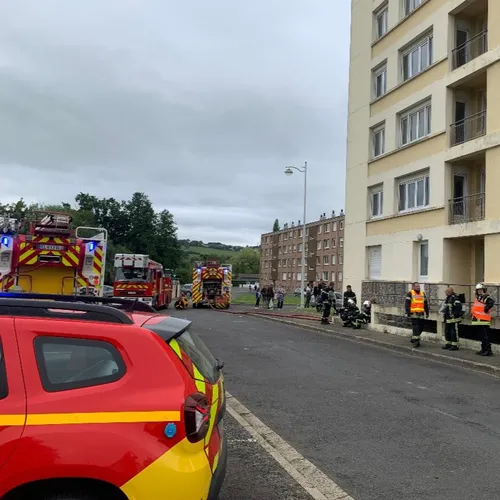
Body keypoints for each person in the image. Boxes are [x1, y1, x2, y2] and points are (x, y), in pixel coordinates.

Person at [472, 283, 495, 356]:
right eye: (478, 290)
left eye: (480, 290)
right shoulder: (478, 298)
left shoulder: (485, 297)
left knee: (485, 336)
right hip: (478, 320)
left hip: (484, 320)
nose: (479, 291)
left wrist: (486, 308)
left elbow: (491, 302)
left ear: (483, 290)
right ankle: (483, 349)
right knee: (482, 336)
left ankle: (488, 351)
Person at [405, 283, 429, 348]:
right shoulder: (410, 293)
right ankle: (416, 341)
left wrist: (427, 312)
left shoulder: (422, 294)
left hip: (421, 313)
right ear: (413, 287)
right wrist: (408, 312)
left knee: (421, 327)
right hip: (414, 314)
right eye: (417, 286)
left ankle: (414, 338)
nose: (418, 287)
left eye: (419, 286)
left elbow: (425, 304)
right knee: (416, 327)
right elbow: (407, 304)